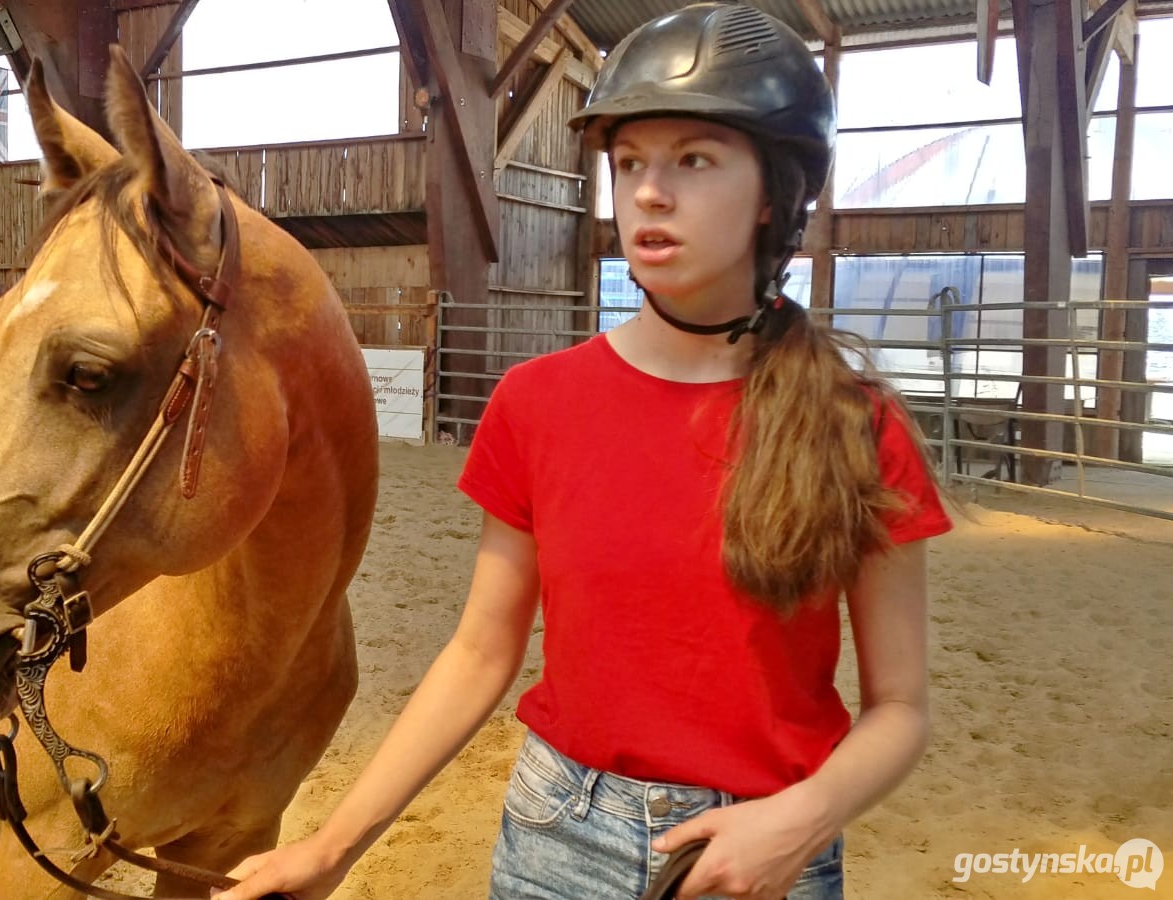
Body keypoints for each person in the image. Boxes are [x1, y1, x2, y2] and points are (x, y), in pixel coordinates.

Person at [216, 5, 951, 898]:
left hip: (763, 853)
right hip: (559, 834)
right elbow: (481, 652)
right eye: (630, 162)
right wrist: (334, 844)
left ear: (774, 193)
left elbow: (901, 709)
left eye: (693, 160)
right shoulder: (538, 403)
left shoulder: (854, 424)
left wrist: (802, 818)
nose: (647, 191)